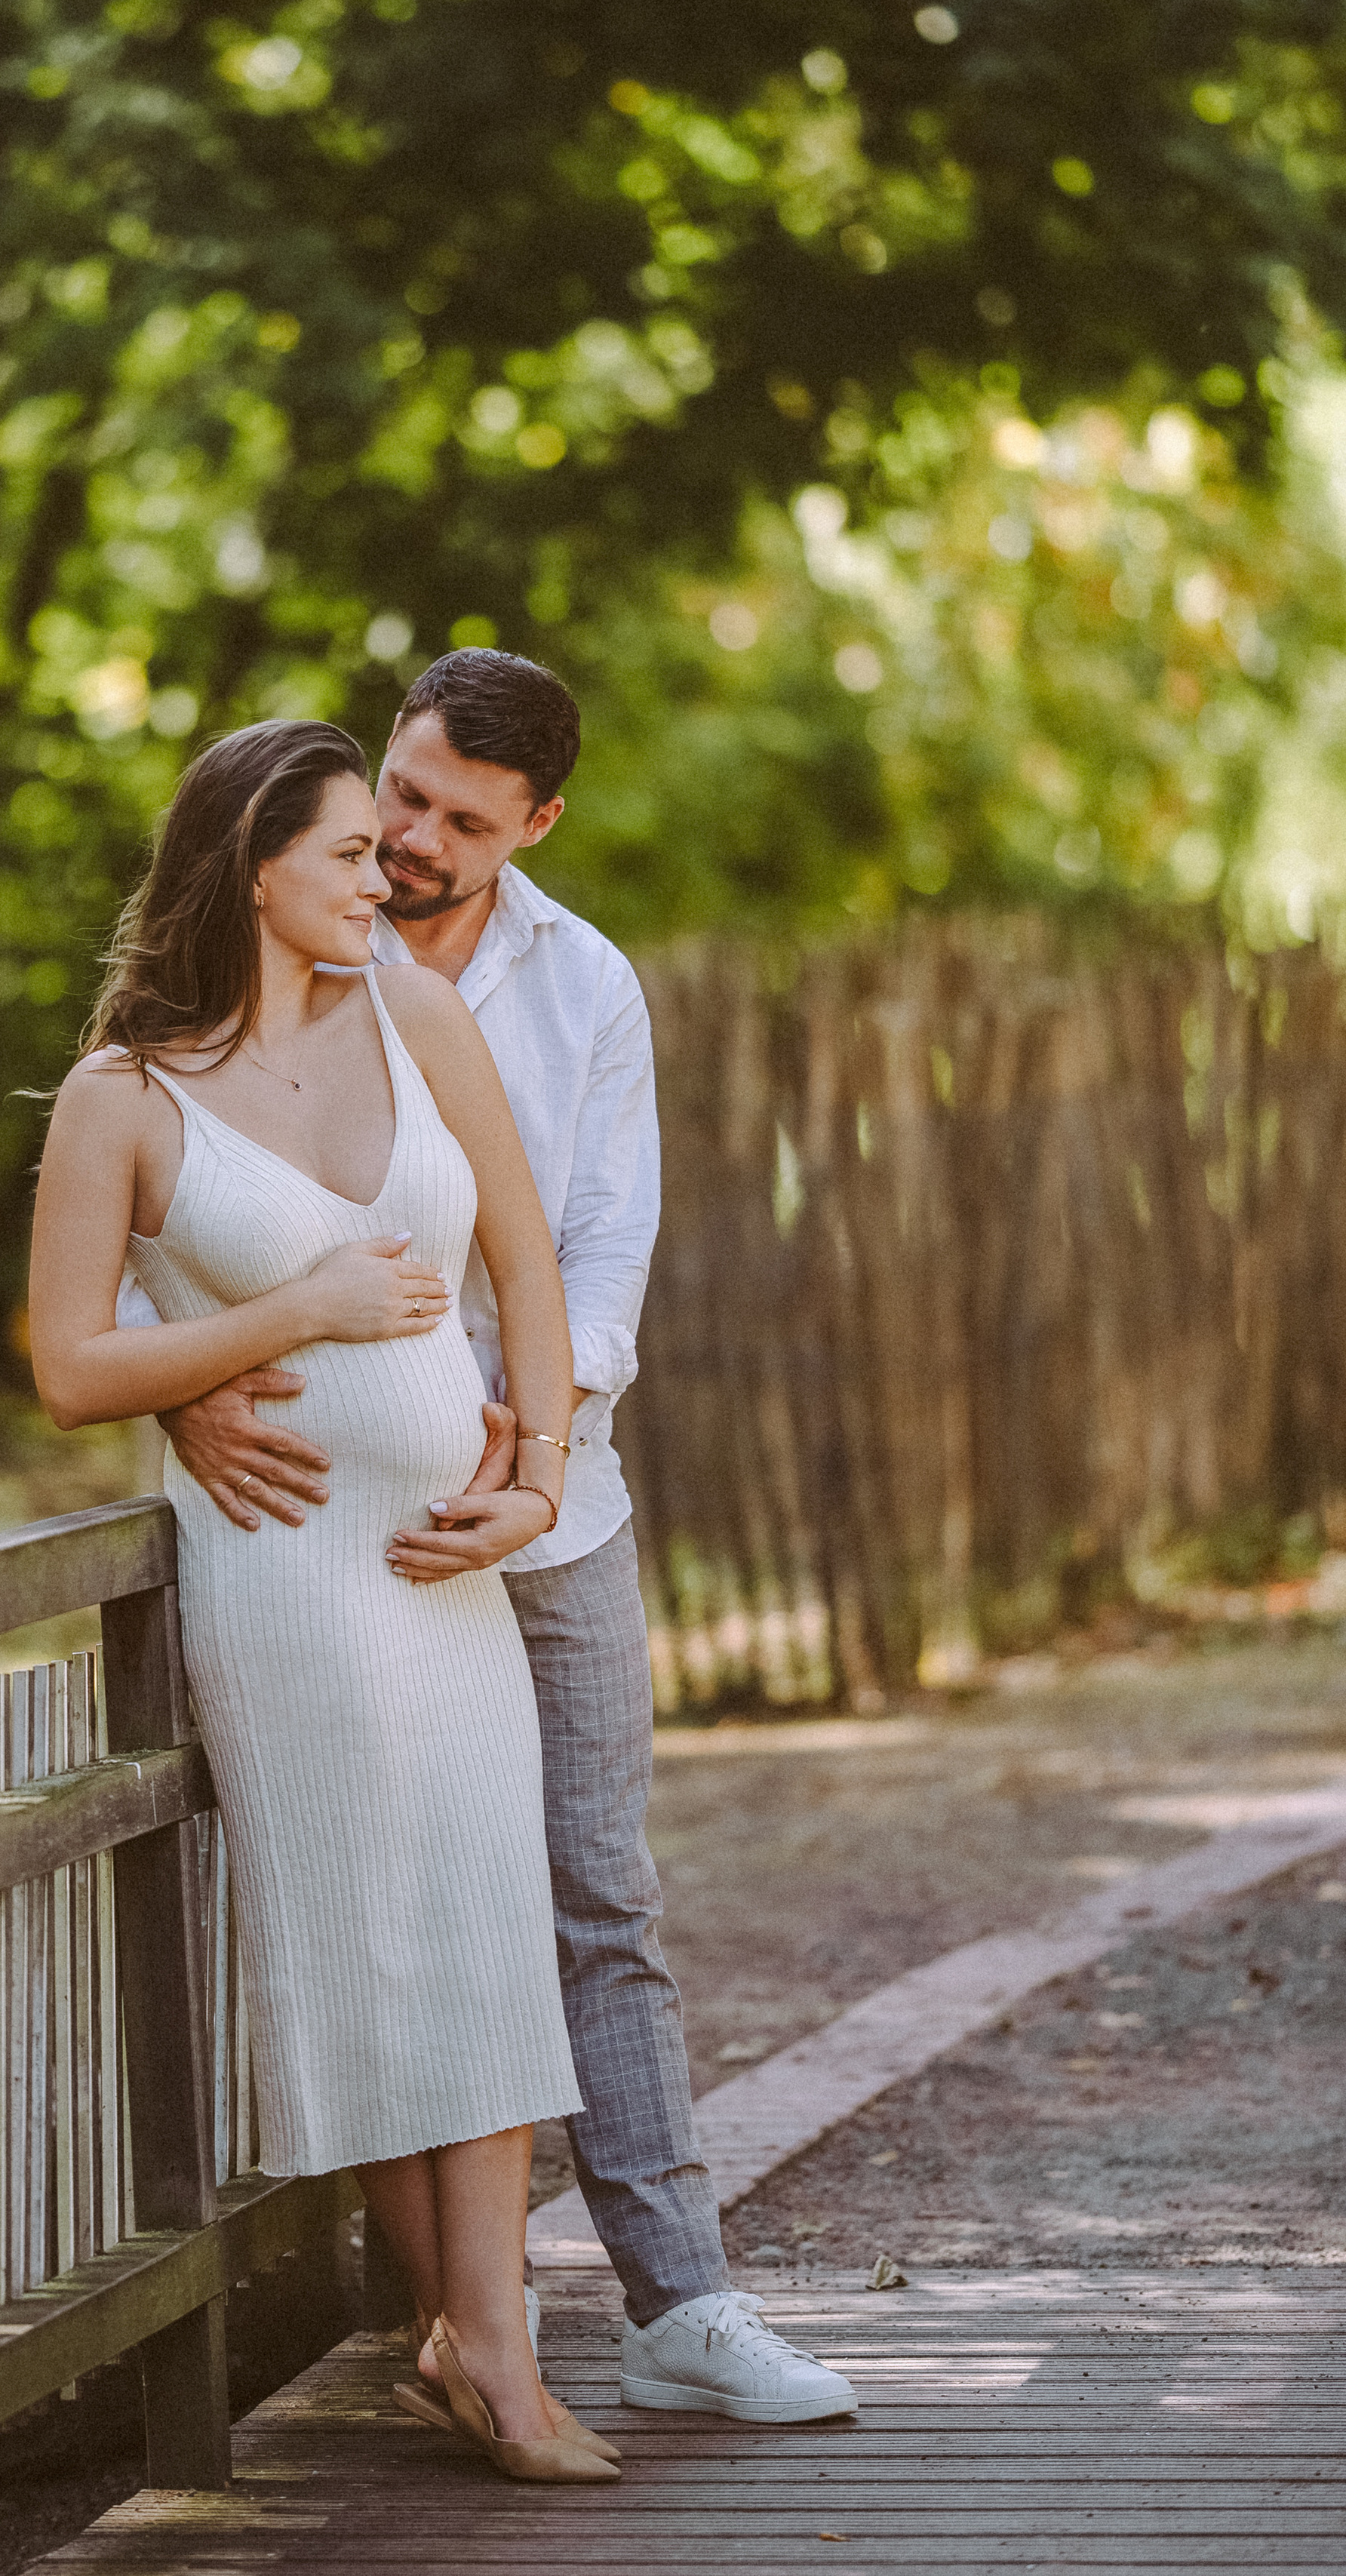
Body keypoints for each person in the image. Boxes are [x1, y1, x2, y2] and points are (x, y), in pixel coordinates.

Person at [156, 650, 857, 2426]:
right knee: (392, 1892)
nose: (410, 838)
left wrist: (531, 1435)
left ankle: (679, 2306)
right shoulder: (282, 938)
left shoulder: (583, 987)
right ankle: (460, 2332)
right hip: (332, 1530)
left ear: (534, 824)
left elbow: (594, 1246)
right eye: (401, 794)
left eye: (459, 822)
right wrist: (184, 1390)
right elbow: (172, 1193)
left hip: (545, 1508)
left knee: (595, 1890)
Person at [29, 718, 622, 2485]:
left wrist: (535, 1474)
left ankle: (487, 2342)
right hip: (283, 1572)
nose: (390, 877)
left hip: (441, 1563)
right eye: (354, 851)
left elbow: (522, 1258)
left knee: (485, 1927)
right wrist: (288, 1317)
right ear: (252, 867)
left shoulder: (414, 1016)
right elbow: (70, 1365)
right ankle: (468, 2343)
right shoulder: (122, 1098)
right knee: (363, 1942)